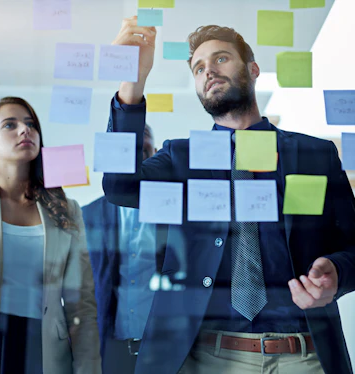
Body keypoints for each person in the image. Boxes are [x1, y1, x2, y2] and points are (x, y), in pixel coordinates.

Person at [102, 16, 355, 374]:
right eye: (198, 68)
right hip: (207, 358)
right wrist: (134, 80)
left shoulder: (315, 155)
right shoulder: (181, 157)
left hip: (305, 357)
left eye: (221, 58)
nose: (208, 71)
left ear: (253, 70)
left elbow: (353, 247)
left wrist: (337, 274)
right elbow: (118, 186)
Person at [0, 96, 101, 374]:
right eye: (10, 125)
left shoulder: (66, 210)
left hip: (44, 345)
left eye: (30, 125)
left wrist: (88, 368)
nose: (25, 131)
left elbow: (81, 302)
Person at [82, 124, 168, 374]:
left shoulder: (175, 212)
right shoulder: (88, 215)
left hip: (166, 349)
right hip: (109, 350)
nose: (134, 160)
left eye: (142, 149)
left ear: (154, 152)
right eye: (125, 151)